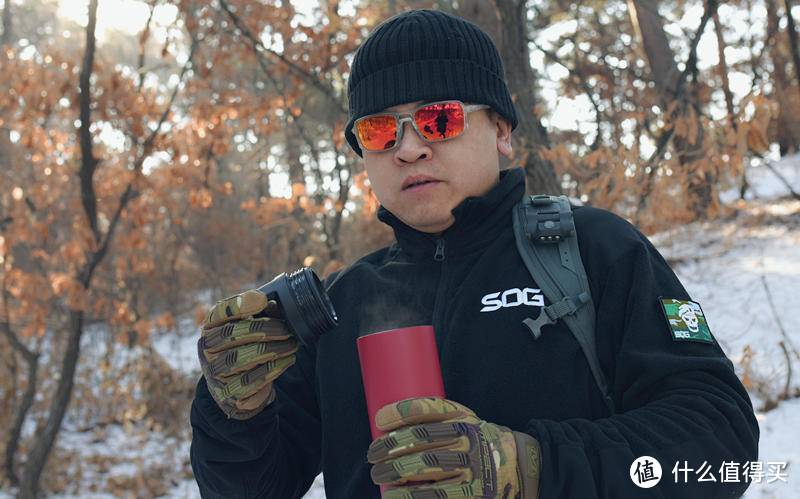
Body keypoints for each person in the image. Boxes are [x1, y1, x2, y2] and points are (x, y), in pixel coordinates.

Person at [190, 9, 759, 499]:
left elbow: (723, 443)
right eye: (380, 131)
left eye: (440, 118)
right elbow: (250, 489)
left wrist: (532, 467)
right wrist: (234, 410)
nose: (410, 148)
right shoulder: (344, 305)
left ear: (502, 132)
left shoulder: (591, 252)